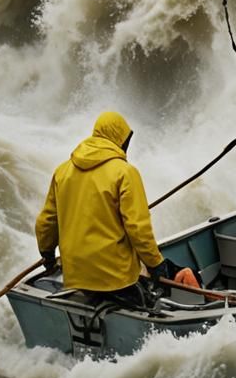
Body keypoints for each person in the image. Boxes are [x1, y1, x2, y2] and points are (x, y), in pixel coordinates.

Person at [35, 111, 177, 308]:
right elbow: (138, 228)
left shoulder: (63, 171)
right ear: (120, 139)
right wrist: (155, 265)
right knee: (149, 301)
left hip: (75, 275)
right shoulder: (125, 173)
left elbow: (47, 221)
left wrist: (48, 255)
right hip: (115, 278)